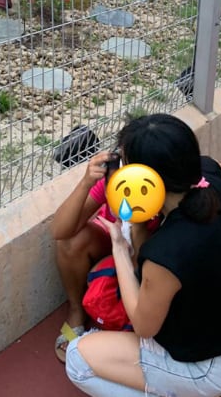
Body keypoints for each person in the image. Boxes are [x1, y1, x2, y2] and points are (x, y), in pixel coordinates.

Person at [64, 114, 221, 397]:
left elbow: (143, 325)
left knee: (77, 359)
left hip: (207, 366)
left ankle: (206, 387)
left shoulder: (166, 250)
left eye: (126, 166)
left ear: (145, 180)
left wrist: (119, 247)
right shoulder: (211, 178)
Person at [51, 127, 161, 362]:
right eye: (119, 158)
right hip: (114, 244)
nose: (120, 168)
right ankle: (76, 310)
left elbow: (141, 262)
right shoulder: (114, 182)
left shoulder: (162, 192)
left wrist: (138, 222)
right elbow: (59, 231)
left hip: (152, 256)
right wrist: (86, 183)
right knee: (71, 242)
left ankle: (129, 324)